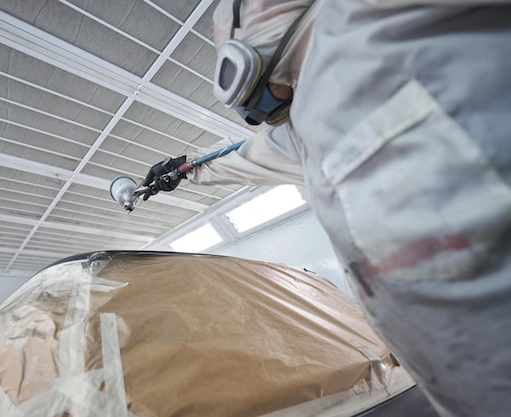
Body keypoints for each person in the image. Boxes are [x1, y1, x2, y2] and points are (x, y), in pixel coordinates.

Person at [141, 1, 511, 416]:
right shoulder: (305, 130)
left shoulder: (370, 16)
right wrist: (185, 169)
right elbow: (247, 158)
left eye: (223, 47)